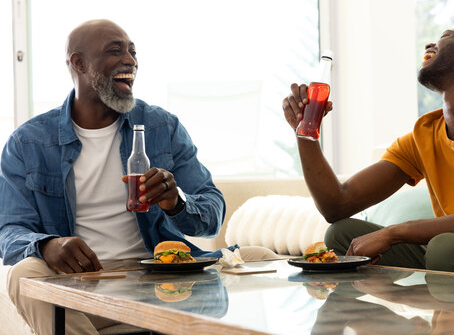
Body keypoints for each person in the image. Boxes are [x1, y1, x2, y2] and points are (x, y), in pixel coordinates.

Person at [0, 19, 277, 335]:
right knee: (24, 275)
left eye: (132, 52)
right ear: (79, 63)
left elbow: (213, 213)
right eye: (115, 51)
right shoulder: (28, 143)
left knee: (260, 258)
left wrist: (177, 202)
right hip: (82, 281)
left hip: (161, 274)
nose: (130, 60)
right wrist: (49, 245)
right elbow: (8, 230)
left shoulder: (162, 126)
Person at [282, 23, 454, 280]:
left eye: (445, 37)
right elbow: (336, 206)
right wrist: (306, 133)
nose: (429, 45)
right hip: (453, 255)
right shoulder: (424, 135)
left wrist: (396, 232)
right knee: (342, 233)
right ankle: (395, 317)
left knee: (446, 247)